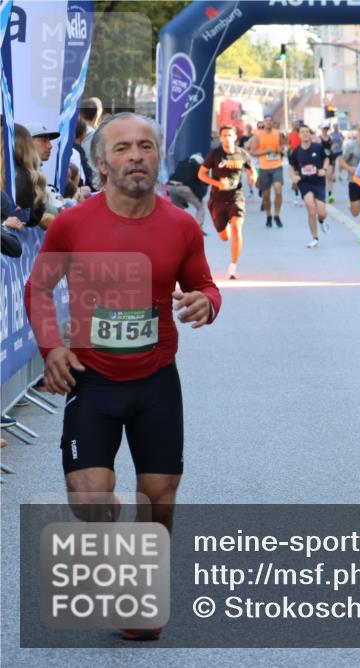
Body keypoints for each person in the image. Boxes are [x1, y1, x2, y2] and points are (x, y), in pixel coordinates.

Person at [24, 113, 221, 641]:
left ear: (159, 155)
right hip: (92, 378)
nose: (136, 156)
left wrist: (207, 301)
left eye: (146, 146)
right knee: (89, 497)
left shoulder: (180, 225)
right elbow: (39, 290)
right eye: (123, 148)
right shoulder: (73, 224)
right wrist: (51, 349)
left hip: (156, 378)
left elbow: (204, 283)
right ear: (102, 162)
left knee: (160, 494)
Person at [198, 125, 257, 279]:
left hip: (236, 197)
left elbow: (252, 169)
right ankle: (225, 230)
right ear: (220, 138)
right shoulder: (215, 154)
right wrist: (217, 184)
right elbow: (201, 174)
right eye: (224, 135)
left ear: (235, 137)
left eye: (230, 135)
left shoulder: (242, 154)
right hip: (217, 200)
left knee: (237, 227)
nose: (227, 138)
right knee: (225, 237)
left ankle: (232, 267)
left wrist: (253, 177)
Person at [288, 125, 331, 248]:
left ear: (310, 134)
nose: (305, 134)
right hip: (305, 182)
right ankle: (314, 238)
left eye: (307, 132)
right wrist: (293, 176)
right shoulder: (296, 151)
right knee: (311, 207)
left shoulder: (318, 148)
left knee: (322, 213)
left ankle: (321, 221)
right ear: (299, 135)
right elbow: (291, 166)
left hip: (318, 181)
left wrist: (324, 169)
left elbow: (327, 159)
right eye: (303, 132)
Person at [246, 115, 287, 228]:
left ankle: (277, 215)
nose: (269, 123)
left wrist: (281, 149)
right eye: (267, 121)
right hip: (264, 167)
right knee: (266, 195)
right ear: (263, 122)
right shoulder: (258, 136)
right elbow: (252, 152)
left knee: (278, 189)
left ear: (273, 123)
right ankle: (269, 215)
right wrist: (265, 152)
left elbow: (285, 146)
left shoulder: (278, 134)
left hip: (277, 165)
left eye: (270, 121)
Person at [13, 124, 55, 229]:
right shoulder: (22, 175)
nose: (50, 145)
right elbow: (30, 217)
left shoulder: (33, 172)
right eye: (44, 140)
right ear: (27, 142)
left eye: (49, 141)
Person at [166, 152, 208, 234]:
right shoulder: (196, 166)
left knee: (177, 209)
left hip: (170, 186)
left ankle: (175, 227)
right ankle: (198, 228)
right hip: (183, 187)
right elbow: (198, 185)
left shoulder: (182, 164)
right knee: (200, 207)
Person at [339, 123, 360, 222]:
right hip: (354, 181)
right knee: (355, 213)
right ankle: (350, 203)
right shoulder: (352, 146)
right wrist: (350, 168)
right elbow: (341, 161)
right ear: (359, 134)